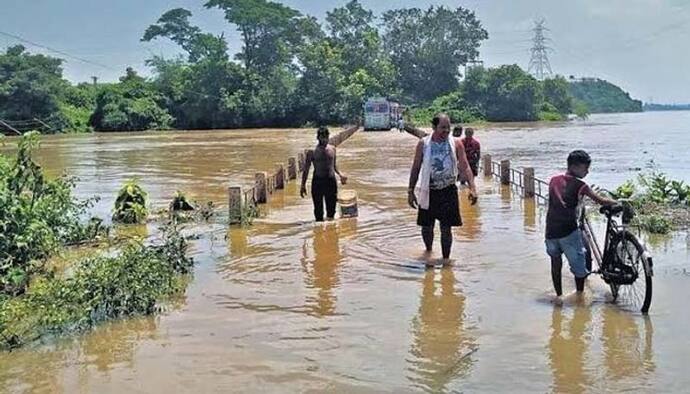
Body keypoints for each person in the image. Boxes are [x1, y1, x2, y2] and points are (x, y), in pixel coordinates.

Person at [545, 150, 616, 301]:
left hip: (550, 232)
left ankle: (558, 296)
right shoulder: (581, 186)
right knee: (579, 267)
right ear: (575, 167)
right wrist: (616, 202)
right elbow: (601, 201)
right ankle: (580, 295)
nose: (587, 172)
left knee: (555, 263)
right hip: (568, 231)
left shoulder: (553, 180)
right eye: (585, 168)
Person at [408, 113, 478, 265]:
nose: (446, 131)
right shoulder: (423, 144)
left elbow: (465, 166)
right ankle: (428, 254)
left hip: (448, 190)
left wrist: (472, 188)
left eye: (448, 127)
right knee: (427, 227)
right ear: (434, 127)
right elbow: (416, 167)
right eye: (443, 128)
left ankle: (446, 261)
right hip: (429, 190)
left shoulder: (456, 143)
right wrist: (410, 190)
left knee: (446, 228)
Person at [301, 126, 349, 222]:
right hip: (318, 182)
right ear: (318, 138)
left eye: (326, 137)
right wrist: (303, 185)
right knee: (318, 213)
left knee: (331, 211)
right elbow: (306, 170)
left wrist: (340, 175)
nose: (325, 139)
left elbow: (334, 166)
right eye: (322, 137)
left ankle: (330, 232)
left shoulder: (333, 149)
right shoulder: (312, 152)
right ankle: (319, 231)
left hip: (331, 181)